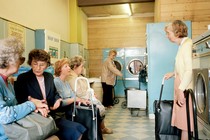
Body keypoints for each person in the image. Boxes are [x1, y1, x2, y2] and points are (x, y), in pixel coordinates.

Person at [14, 49, 86, 140]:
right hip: (35, 118)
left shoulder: (49, 77)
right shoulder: (23, 78)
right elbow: (20, 99)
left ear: (47, 65)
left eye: (42, 65)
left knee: (78, 128)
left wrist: (57, 100)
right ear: (30, 63)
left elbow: (55, 93)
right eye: (35, 64)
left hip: (51, 115)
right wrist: (34, 104)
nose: (38, 68)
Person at [0, 37, 55, 139]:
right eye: (20, 58)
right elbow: (4, 116)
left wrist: (35, 107)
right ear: (10, 60)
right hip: (7, 135)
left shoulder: (7, 81)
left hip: (15, 130)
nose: (22, 62)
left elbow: (16, 106)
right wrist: (32, 104)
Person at [67, 55, 113, 134]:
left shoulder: (79, 76)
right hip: (79, 101)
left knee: (99, 106)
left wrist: (92, 93)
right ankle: (99, 129)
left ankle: (101, 128)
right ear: (75, 66)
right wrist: (90, 95)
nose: (83, 69)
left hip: (85, 98)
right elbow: (79, 94)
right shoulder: (72, 78)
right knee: (98, 107)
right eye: (82, 67)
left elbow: (86, 89)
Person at [164, 20, 193, 140]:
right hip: (182, 87)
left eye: (168, 33)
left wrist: (181, 91)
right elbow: (183, 67)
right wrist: (173, 73)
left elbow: (189, 70)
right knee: (183, 122)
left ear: (177, 32)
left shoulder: (187, 45)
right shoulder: (182, 45)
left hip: (185, 88)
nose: (167, 36)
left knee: (186, 123)